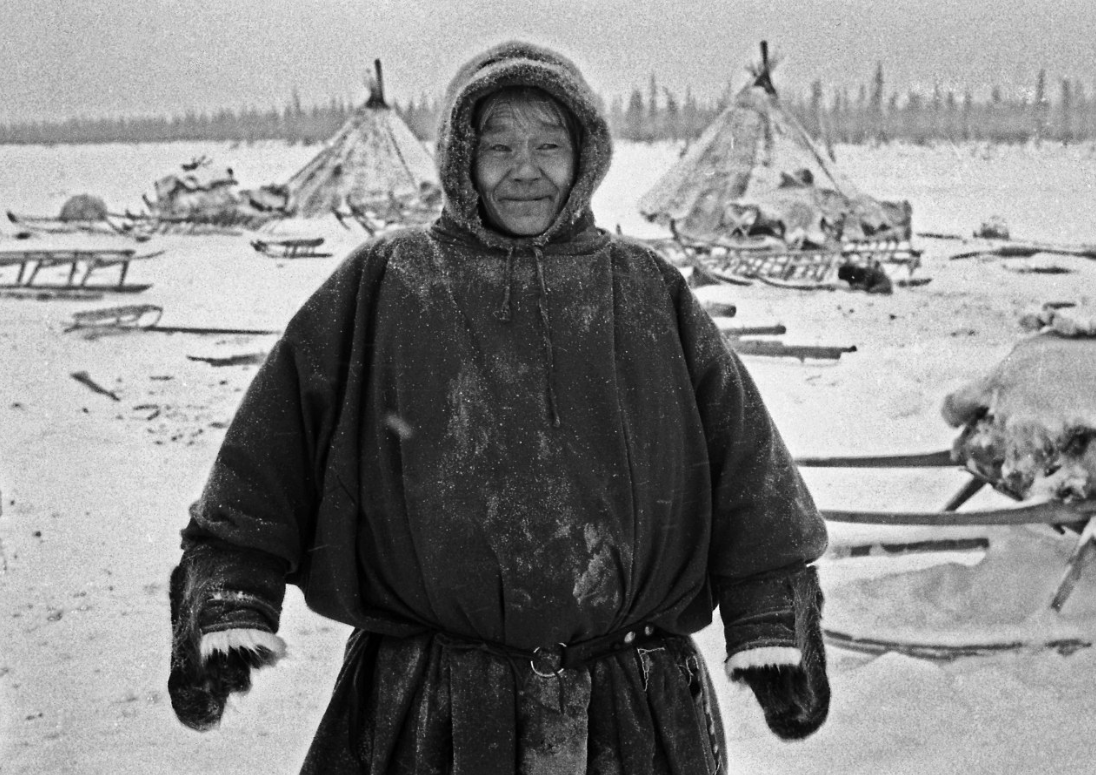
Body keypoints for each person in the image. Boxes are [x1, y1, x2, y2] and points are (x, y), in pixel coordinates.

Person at [168, 40, 830, 774]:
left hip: (631, 711)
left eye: (549, 144)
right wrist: (228, 590)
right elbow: (274, 440)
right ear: (461, 156)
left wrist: (772, 612)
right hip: (427, 712)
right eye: (500, 145)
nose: (525, 168)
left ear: (584, 158)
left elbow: (747, 460)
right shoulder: (392, 281)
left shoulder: (645, 290)